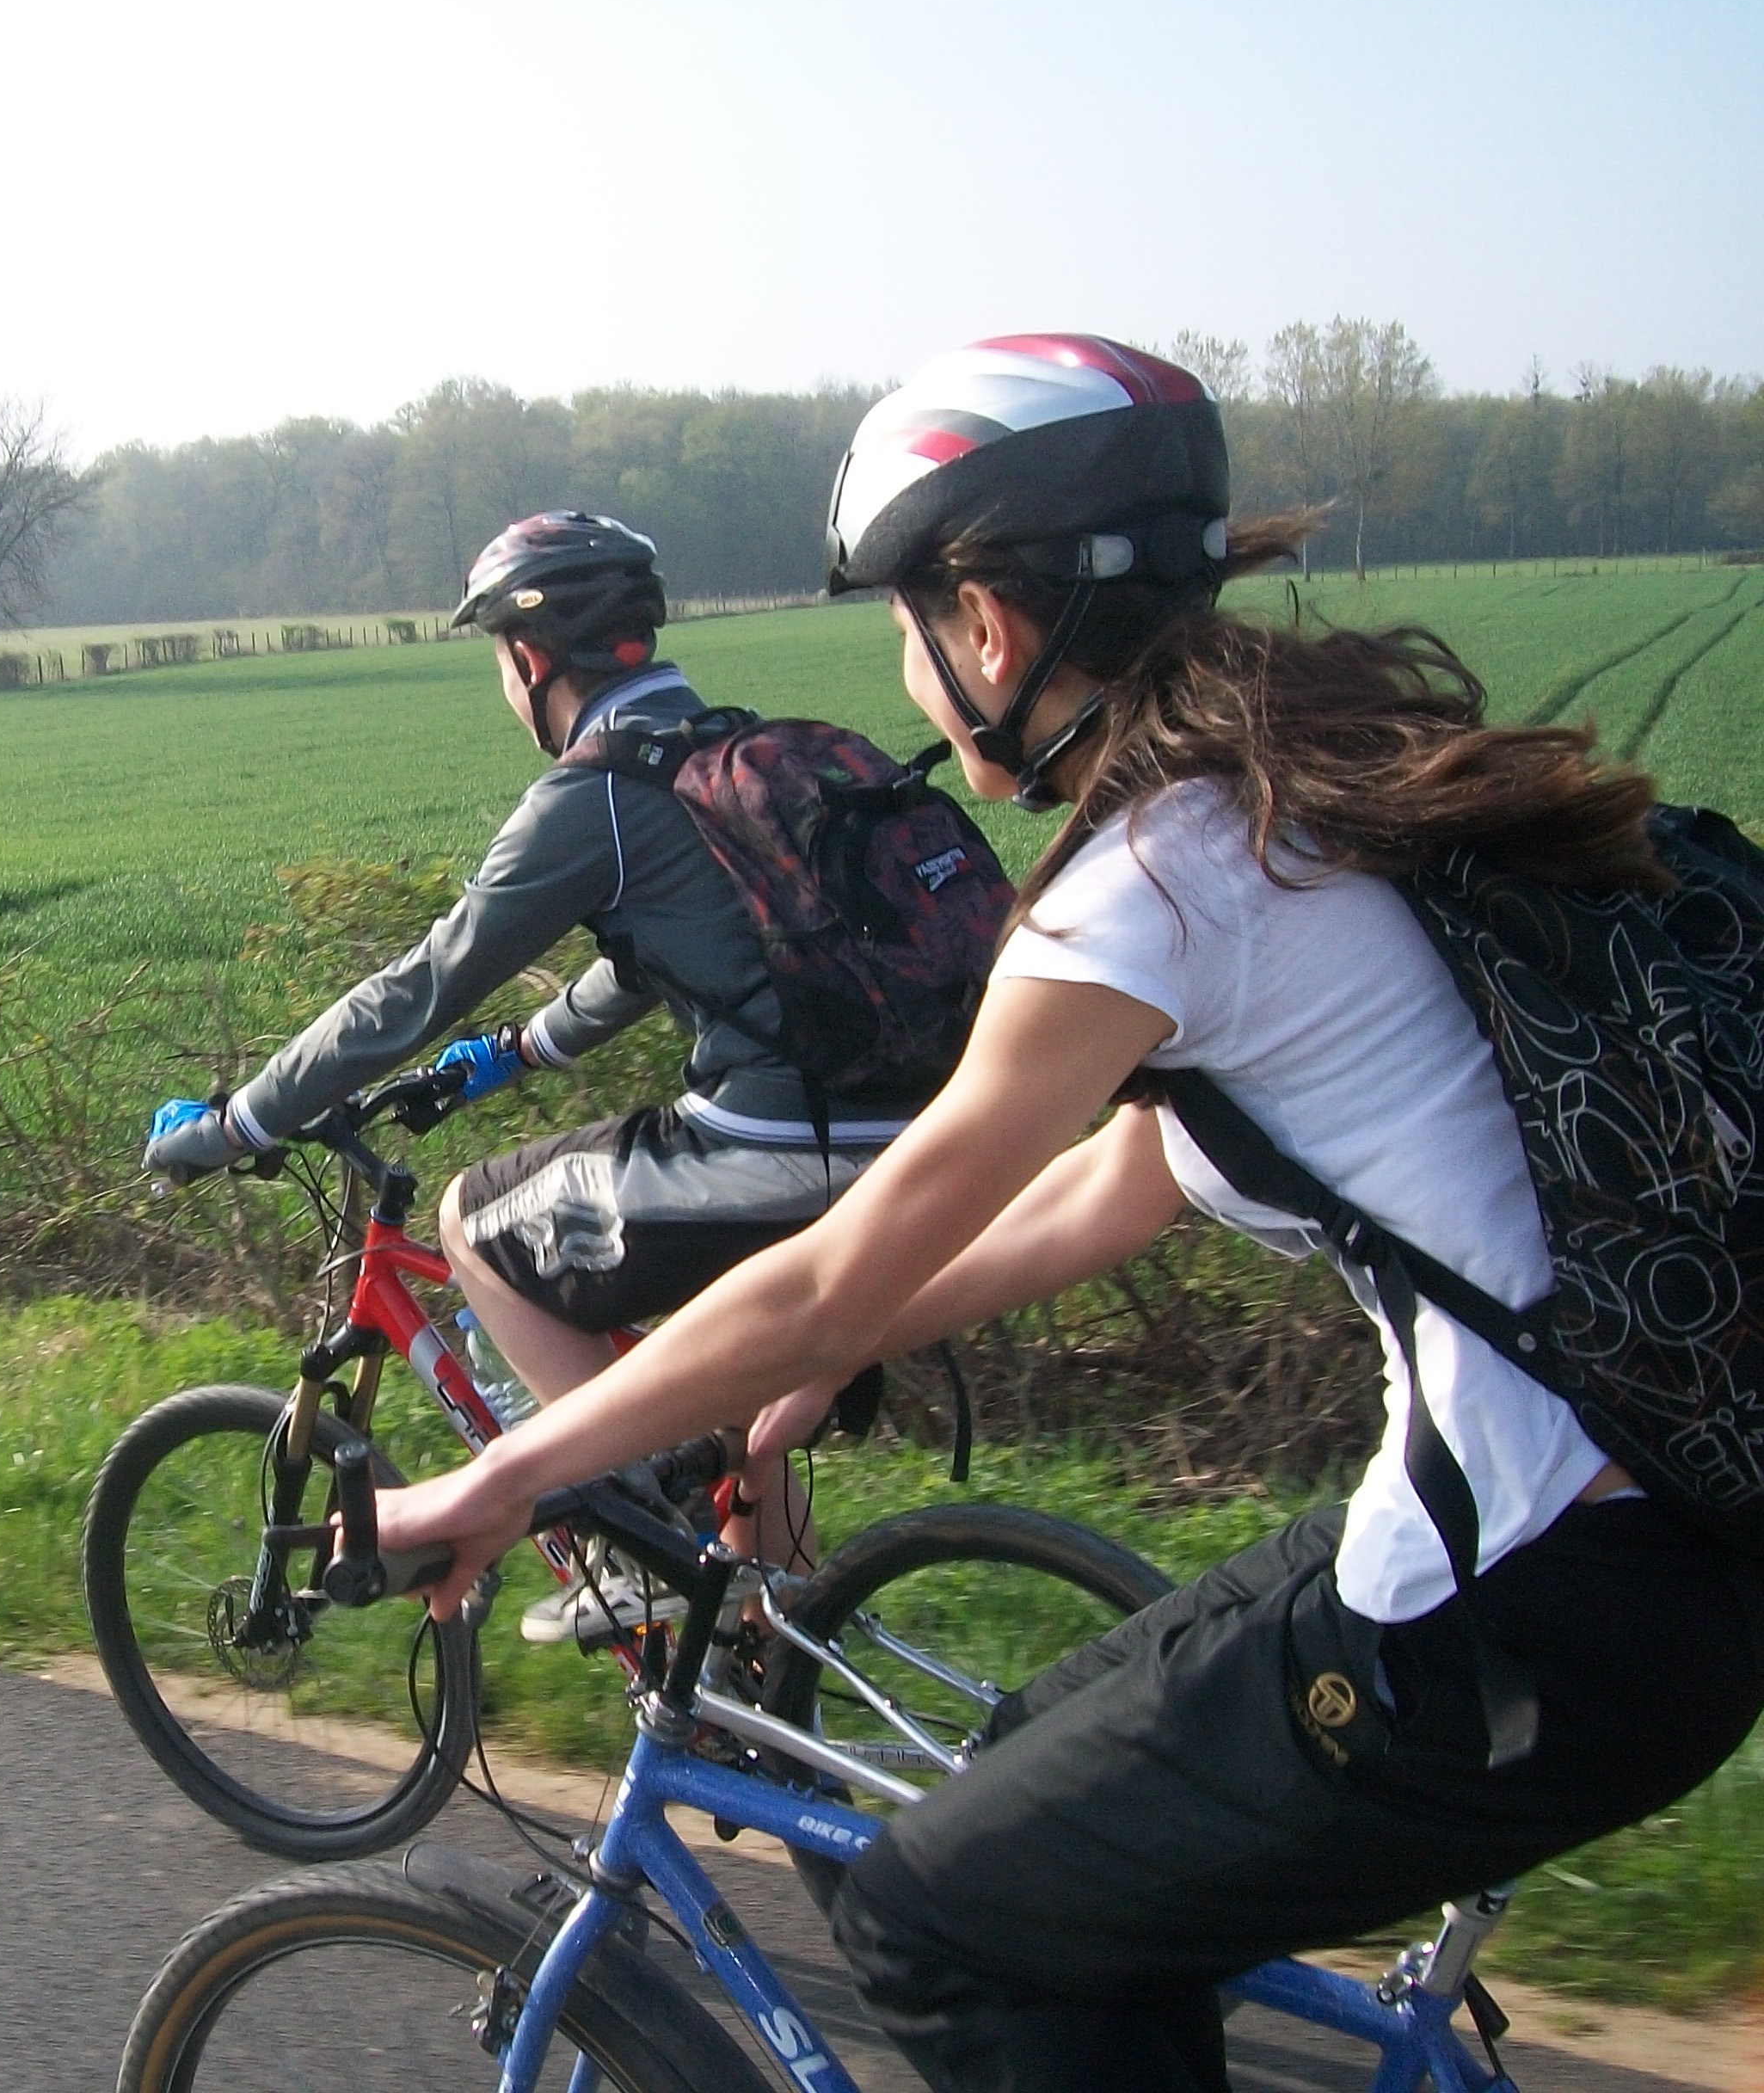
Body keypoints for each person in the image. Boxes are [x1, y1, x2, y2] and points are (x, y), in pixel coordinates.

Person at [372, 335, 1764, 2091]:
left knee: (936, 1925)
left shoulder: (1157, 877)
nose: (909, 667)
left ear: (985, 625)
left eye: (905, 623)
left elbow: (825, 1277)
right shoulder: (1308, 778)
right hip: (1661, 1555)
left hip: (1530, 1607)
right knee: (1017, 1774)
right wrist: (837, 1353)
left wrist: (499, 1479)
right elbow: (1135, 1174)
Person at [143, 511, 894, 1640]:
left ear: (531, 659)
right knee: (735, 1398)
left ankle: (628, 1532)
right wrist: (517, 1052)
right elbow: (655, 962)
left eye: (500, 657)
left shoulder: (595, 795)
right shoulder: (721, 751)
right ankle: (777, 1683)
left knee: (473, 1224)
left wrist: (240, 1121)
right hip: (906, 1140)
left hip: (782, 1147)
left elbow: (420, 988)